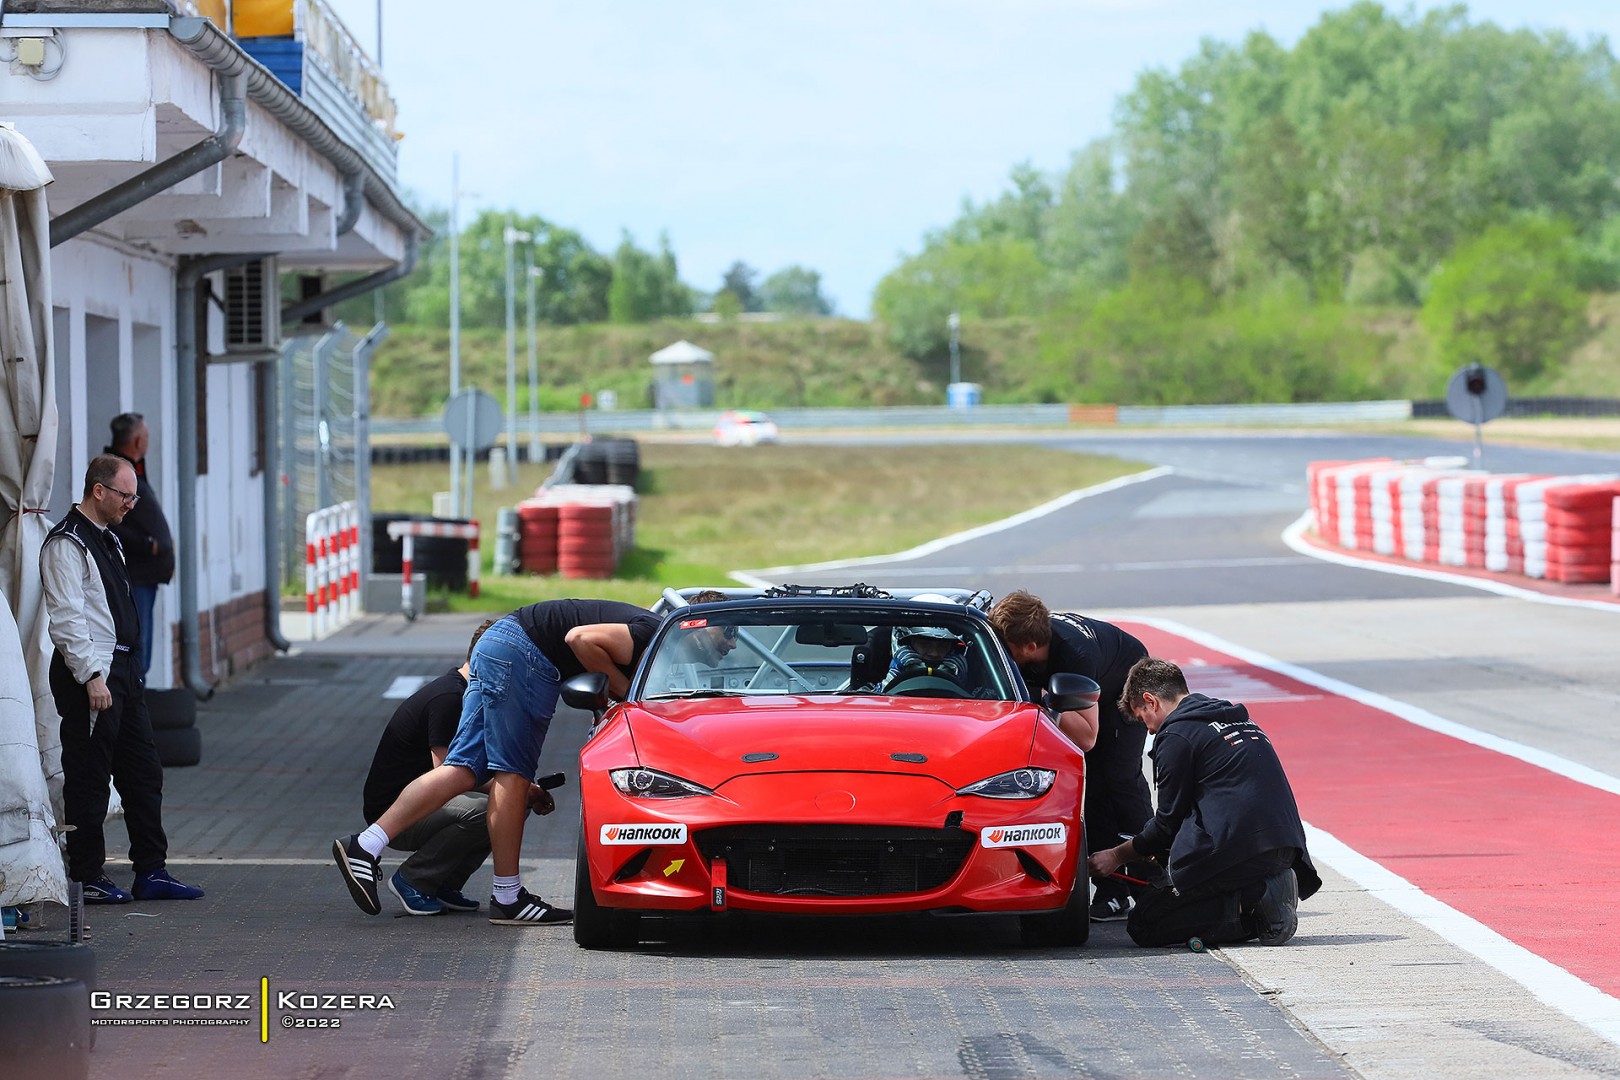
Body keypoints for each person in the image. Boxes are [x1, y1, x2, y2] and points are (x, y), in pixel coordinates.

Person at [333, 599, 663, 925]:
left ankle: (366, 844)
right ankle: (508, 897)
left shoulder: (653, 632)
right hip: (525, 653)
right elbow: (580, 639)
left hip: (499, 642)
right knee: (513, 775)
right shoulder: (654, 633)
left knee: (462, 768)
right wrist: (629, 696)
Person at [39, 454, 203, 904]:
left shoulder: (109, 540)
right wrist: (91, 675)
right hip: (93, 675)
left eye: (133, 495)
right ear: (98, 491)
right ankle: (88, 875)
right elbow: (68, 619)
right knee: (89, 776)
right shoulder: (66, 545)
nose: (132, 504)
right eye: (125, 495)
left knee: (144, 773)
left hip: (126, 673)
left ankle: (152, 870)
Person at [1089, 658, 1321, 947]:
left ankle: (1258, 898)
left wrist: (1116, 856)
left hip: (1242, 853)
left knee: (1145, 922)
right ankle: (1264, 893)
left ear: (1151, 701)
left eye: (1142, 717)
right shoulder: (1237, 718)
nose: (1147, 730)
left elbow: (1166, 824)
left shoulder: (1176, 734)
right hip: (1286, 846)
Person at [988, 589, 1152, 922]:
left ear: (1031, 647)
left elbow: (1088, 736)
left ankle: (1151, 884)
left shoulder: (1075, 656)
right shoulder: (1026, 646)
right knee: (1085, 784)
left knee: (1117, 780)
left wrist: (1041, 697)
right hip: (1086, 683)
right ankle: (1112, 890)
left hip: (1123, 683)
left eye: (1006, 650)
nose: (1002, 656)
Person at [360, 620, 506, 916]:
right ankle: (413, 880)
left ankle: (443, 883)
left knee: (512, 803)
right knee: (490, 808)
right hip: (394, 815)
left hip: (424, 804)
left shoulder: (468, 695)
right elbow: (449, 773)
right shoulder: (450, 699)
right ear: (485, 659)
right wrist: (509, 787)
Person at [105, 413, 175, 678]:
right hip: (135, 577)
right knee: (137, 654)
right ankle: (133, 715)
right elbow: (112, 522)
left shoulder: (132, 470)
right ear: (136, 441)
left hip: (145, 577)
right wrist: (148, 545)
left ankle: (137, 711)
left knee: (141, 654)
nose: (147, 442)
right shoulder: (118, 475)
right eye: (145, 436)